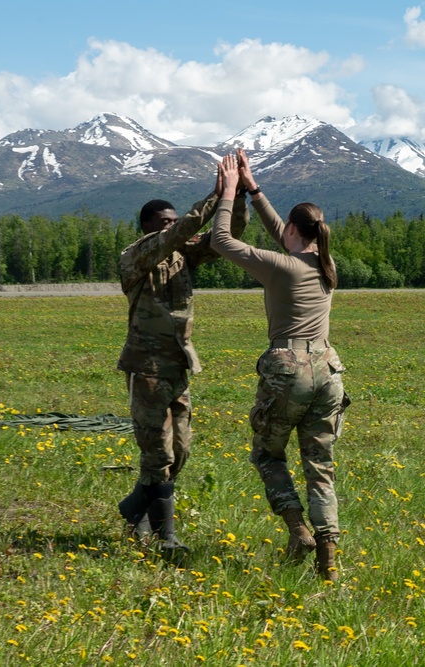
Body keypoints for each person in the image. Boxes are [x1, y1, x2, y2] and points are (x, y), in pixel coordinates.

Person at [209, 150, 350, 581]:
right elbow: (284, 237)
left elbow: (221, 241)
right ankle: (328, 559)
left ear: (293, 229)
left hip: (288, 369)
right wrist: (255, 190)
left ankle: (297, 530)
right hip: (329, 371)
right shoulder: (325, 266)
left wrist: (229, 192)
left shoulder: (280, 267)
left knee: (268, 456)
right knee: (319, 465)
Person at [116, 167, 249, 554]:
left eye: (176, 220)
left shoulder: (182, 256)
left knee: (181, 451)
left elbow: (228, 237)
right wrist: (216, 193)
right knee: (157, 452)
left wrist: (236, 197)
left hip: (179, 366)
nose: (175, 227)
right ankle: (164, 538)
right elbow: (177, 234)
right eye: (165, 222)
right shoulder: (137, 256)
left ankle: (136, 512)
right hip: (148, 366)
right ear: (147, 227)